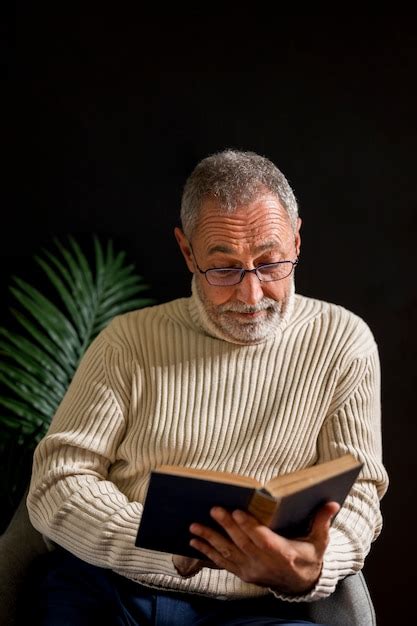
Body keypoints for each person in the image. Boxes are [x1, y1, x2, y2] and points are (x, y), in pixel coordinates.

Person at [27, 149, 388, 625]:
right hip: (111, 588)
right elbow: (58, 479)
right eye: (224, 269)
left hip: (260, 606)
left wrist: (311, 567)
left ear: (297, 240)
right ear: (187, 251)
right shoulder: (127, 341)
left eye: (270, 263)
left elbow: (360, 491)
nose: (251, 294)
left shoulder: (343, 341)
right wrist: (172, 549)